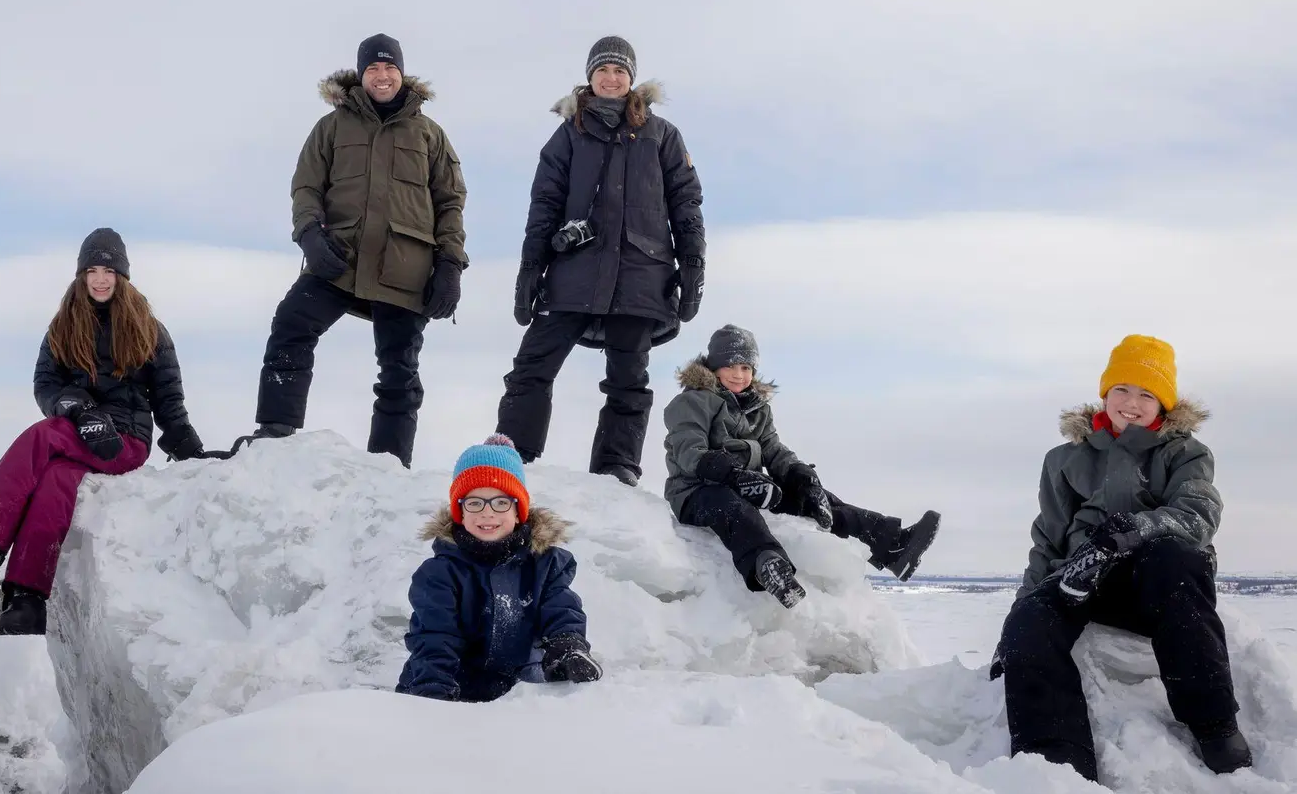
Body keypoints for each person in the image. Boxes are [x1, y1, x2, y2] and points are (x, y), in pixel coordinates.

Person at [991, 335, 1251, 782]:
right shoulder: (1064, 460)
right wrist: (1019, 613)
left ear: (1164, 403)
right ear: (1105, 393)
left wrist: (1130, 534)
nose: (1132, 403)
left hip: (1157, 581)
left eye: (1146, 393)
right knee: (1028, 622)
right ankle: (1055, 765)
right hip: (1084, 576)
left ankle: (1214, 724)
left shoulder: (1185, 453)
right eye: (1122, 390)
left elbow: (1198, 514)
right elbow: (1049, 540)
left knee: (1174, 556)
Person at [0, 228, 211, 635]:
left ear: (122, 276)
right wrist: (73, 407)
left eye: (108, 270)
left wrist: (191, 451)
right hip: (78, 430)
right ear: (80, 275)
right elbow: (46, 385)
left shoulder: (149, 329)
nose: (100, 278)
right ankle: (27, 598)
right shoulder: (63, 326)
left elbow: (169, 398)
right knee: (55, 483)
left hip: (124, 441)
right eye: (92, 270)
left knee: (41, 436)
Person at [240, 33, 468, 468]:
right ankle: (275, 431)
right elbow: (306, 186)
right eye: (373, 69)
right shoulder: (331, 127)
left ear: (402, 73)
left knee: (399, 371)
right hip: (337, 259)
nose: (381, 76)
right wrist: (308, 233)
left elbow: (451, 202)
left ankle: (389, 465)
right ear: (361, 75)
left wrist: (451, 264)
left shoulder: (429, 135)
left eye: (389, 68)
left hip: (404, 268)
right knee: (290, 324)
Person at [496, 35, 705, 486]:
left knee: (629, 380)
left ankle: (617, 471)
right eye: (603, 70)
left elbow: (687, 204)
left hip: (641, 276)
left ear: (632, 79)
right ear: (589, 77)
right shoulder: (569, 134)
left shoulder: (663, 135)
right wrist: (530, 270)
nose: (611, 79)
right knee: (532, 367)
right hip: (574, 271)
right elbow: (544, 203)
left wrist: (693, 268)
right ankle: (512, 458)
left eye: (620, 71)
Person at [662, 324, 941, 607]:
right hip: (697, 491)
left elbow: (773, 449)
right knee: (734, 510)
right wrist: (734, 476)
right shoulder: (692, 402)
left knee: (817, 501)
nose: (739, 374)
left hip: (750, 486)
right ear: (714, 366)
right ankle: (768, 566)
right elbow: (689, 451)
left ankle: (892, 545)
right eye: (731, 365)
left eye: (746, 367)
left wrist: (802, 477)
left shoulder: (757, 408)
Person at [395, 434, 601, 702]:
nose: (487, 513)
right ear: (460, 512)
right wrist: (433, 694)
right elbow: (435, 638)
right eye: (475, 502)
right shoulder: (439, 573)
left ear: (519, 511)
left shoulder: (545, 564)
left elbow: (561, 609)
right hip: (450, 688)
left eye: (501, 502)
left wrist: (567, 646)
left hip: (515, 696)